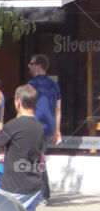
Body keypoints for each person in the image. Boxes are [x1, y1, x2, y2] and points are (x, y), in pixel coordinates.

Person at [0, 84, 45, 211]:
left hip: (13, 186)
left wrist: (1, 153)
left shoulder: (14, 125)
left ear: (18, 101)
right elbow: (40, 154)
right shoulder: (39, 126)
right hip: (33, 186)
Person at [28, 54, 61, 203]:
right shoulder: (54, 85)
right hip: (48, 127)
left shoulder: (32, 84)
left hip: (35, 126)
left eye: (31, 63)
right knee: (38, 159)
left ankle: (42, 194)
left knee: (36, 160)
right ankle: (41, 193)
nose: (29, 66)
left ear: (38, 66)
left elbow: (27, 106)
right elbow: (58, 110)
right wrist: (57, 130)